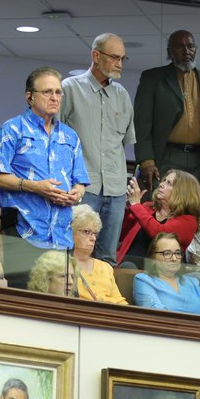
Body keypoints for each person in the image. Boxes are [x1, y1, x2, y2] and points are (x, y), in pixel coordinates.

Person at [0, 68, 89, 286]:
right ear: (29, 96)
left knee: (63, 307)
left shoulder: (70, 136)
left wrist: (76, 195)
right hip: (23, 232)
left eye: (59, 92)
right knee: (24, 303)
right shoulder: (12, 129)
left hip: (62, 237)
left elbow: (80, 183)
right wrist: (34, 187)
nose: (54, 98)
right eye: (47, 92)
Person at [60, 33, 135, 263]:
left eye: (122, 58)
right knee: (76, 254)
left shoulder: (122, 95)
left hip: (115, 189)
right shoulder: (69, 88)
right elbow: (56, 140)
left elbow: (121, 142)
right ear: (95, 55)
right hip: (83, 186)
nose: (119, 64)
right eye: (114, 57)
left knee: (107, 259)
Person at [133, 29, 200, 192]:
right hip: (166, 156)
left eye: (190, 46)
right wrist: (146, 160)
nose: (186, 51)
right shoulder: (153, 78)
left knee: (196, 211)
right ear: (170, 52)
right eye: (180, 46)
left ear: (196, 50)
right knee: (162, 209)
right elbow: (141, 124)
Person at [117, 169, 200, 266]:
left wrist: (136, 206)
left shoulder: (188, 222)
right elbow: (121, 234)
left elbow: (159, 233)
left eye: (169, 183)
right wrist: (128, 206)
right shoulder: (147, 207)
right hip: (125, 267)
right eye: (164, 180)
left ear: (182, 192)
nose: (161, 184)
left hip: (157, 276)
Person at [133, 233, 200, 315]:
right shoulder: (143, 280)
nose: (174, 258)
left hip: (199, 328)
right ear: (153, 258)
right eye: (167, 253)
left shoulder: (193, 283)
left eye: (178, 253)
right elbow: (157, 316)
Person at [69, 205, 127, 304]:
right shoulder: (64, 264)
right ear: (71, 232)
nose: (93, 238)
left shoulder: (105, 267)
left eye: (95, 233)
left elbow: (120, 302)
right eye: (86, 232)